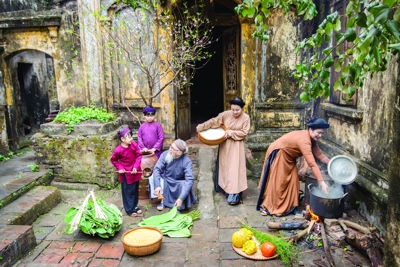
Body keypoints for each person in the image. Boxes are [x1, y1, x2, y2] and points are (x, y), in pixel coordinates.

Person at [256, 117, 331, 217]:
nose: (320, 135)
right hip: (280, 154)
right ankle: (269, 207)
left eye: (322, 133)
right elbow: (312, 163)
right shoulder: (304, 141)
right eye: (319, 132)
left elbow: (320, 155)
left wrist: (332, 163)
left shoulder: (312, 139)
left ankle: (289, 206)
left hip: (289, 157)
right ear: (310, 129)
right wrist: (322, 182)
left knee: (293, 181)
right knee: (279, 183)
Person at [196, 97, 250, 205]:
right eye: (233, 109)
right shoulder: (225, 114)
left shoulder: (246, 118)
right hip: (225, 146)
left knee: (234, 169)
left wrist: (230, 133)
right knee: (225, 167)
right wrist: (202, 126)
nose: (235, 112)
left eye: (237, 110)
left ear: (242, 109)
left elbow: (244, 132)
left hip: (237, 146)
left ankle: (234, 196)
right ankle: (225, 188)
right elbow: (214, 121)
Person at [153, 139, 197, 210]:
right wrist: (157, 185)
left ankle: (179, 202)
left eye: (173, 149)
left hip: (178, 182)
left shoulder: (186, 161)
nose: (170, 149)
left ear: (180, 152)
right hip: (166, 179)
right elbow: (157, 169)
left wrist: (181, 198)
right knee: (153, 177)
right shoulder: (165, 154)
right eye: (171, 146)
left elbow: (189, 180)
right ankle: (162, 201)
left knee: (185, 184)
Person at [110, 126, 143, 217]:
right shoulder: (118, 150)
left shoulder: (133, 145)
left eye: (131, 136)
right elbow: (114, 160)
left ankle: (135, 206)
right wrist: (120, 168)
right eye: (129, 137)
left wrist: (136, 167)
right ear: (122, 139)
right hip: (126, 173)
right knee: (128, 191)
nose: (131, 139)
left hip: (135, 171)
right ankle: (129, 209)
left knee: (135, 190)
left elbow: (139, 155)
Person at [137, 105, 165, 210]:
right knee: (147, 174)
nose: (150, 117)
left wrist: (155, 148)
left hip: (155, 154)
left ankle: (159, 194)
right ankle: (149, 193)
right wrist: (143, 148)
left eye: (152, 115)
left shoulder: (157, 126)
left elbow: (161, 137)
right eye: (147, 115)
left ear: (154, 115)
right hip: (145, 155)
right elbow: (139, 137)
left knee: (157, 173)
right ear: (144, 116)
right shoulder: (142, 127)